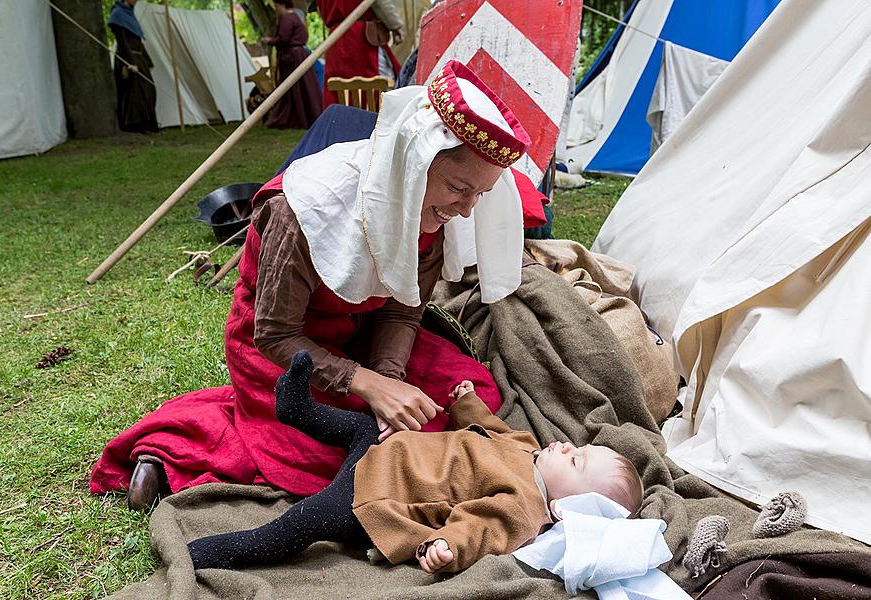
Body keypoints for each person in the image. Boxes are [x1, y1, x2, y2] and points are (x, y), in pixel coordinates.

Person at [90, 60, 532, 512]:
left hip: (360, 336)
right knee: (323, 456)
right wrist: (367, 386)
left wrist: (387, 381)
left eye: (480, 194)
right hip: (279, 350)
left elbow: (402, 310)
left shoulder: (430, 206)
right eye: (460, 188)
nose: (465, 210)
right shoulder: (304, 209)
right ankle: (173, 444)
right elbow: (275, 335)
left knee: (464, 395)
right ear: (415, 162)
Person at [187, 351, 645, 572]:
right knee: (360, 427)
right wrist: (467, 404)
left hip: (375, 500)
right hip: (385, 454)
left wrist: (448, 548)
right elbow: (490, 428)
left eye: (577, 461)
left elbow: (480, 527)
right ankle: (296, 410)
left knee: (302, 524)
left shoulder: (522, 506)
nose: (567, 447)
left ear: (565, 509)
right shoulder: (526, 448)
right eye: (578, 446)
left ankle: (220, 553)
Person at [316, 0, 404, 107]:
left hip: (335, 40)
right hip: (361, 38)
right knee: (384, 87)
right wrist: (395, 25)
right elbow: (379, 2)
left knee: (340, 93)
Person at [259, 0, 323, 128]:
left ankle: (294, 119)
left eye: (276, 6)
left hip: (293, 58)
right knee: (299, 89)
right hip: (295, 56)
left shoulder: (287, 18)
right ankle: (300, 117)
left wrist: (269, 41)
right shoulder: (293, 16)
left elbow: (284, 38)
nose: (276, 9)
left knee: (295, 89)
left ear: (282, 5)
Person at [108, 0, 158, 133]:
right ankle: (135, 125)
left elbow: (138, 41)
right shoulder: (118, 14)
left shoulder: (130, 14)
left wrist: (147, 61)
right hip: (127, 58)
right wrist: (130, 63)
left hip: (139, 58)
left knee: (149, 90)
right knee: (135, 93)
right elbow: (123, 42)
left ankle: (148, 124)